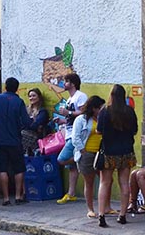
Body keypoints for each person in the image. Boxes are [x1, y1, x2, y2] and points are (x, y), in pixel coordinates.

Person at [0, 77, 33, 205]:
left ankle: (6, 198)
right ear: (16, 89)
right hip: (15, 140)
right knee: (18, 168)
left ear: (5, 87)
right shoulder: (19, 102)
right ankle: (18, 196)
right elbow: (27, 122)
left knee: (2, 168)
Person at [96, 84, 138, 227]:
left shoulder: (105, 111)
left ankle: (101, 215)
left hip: (108, 151)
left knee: (104, 182)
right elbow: (134, 130)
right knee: (124, 183)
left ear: (112, 96)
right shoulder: (130, 111)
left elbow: (99, 131)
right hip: (126, 151)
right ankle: (123, 215)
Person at [55, 73, 87, 204]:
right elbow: (72, 117)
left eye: (66, 81)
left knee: (61, 159)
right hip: (68, 132)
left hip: (76, 135)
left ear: (72, 83)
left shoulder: (81, 96)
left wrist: (68, 113)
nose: (64, 84)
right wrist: (63, 120)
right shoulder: (69, 99)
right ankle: (71, 193)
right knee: (72, 168)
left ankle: (81, 157)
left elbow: (84, 113)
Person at [72, 95, 105, 219]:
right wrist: (82, 150)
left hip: (100, 153)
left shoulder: (101, 119)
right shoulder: (81, 119)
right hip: (87, 154)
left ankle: (105, 207)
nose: (102, 110)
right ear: (93, 108)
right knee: (89, 182)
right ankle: (90, 209)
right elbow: (75, 137)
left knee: (106, 180)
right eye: (99, 108)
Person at [22, 87, 51, 155]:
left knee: (21, 135)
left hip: (36, 137)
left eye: (34, 95)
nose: (31, 98)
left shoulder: (42, 111)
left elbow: (35, 125)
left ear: (39, 97)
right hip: (25, 132)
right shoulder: (26, 110)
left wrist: (27, 123)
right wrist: (31, 121)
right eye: (30, 96)